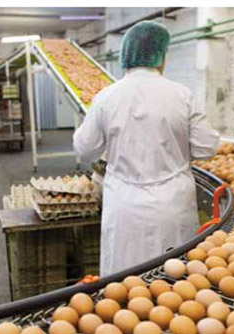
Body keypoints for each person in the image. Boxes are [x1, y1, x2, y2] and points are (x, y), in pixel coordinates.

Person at [73, 20, 220, 277]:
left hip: (124, 205)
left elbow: (84, 149)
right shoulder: (182, 95)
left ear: (125, 56)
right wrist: (176, 150)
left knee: (124, 283)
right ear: (161, 57)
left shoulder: (107, 97)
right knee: (174, 282)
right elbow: (207, 147)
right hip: (172, 206)